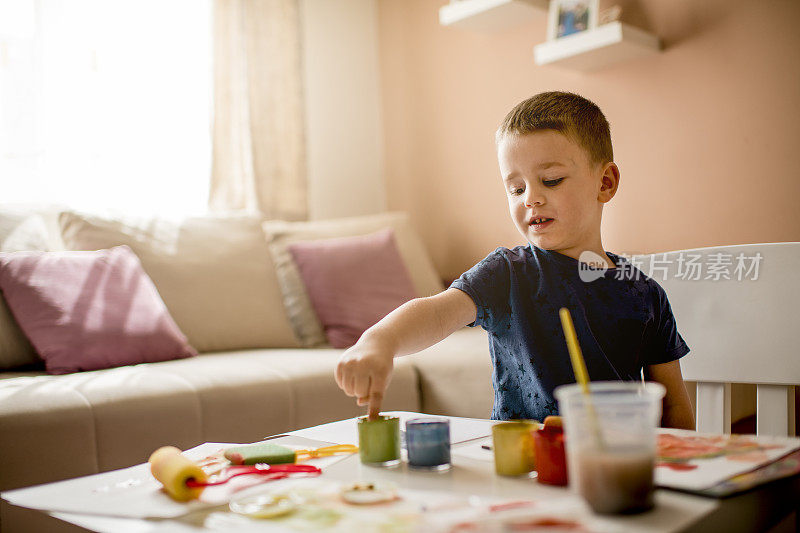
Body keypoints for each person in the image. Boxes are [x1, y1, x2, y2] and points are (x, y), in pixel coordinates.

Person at [334, 91, 695, 430]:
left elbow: (674, 406)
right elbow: (436, 312)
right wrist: (380, 341)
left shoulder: (644, 293)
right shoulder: (507, 273)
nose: (530, 199)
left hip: (613, 464)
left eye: (551, 180)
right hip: (522, 469)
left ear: (605, 183)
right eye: (516, 188)